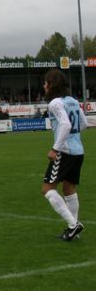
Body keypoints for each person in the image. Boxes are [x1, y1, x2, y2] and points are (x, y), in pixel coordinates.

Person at [41, 69, 85, 241]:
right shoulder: (73, 101)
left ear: (51, 85)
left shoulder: (55, 103)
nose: (44, 86)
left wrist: (55, 148)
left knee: (47, 189)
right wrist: (73, 138)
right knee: (69, 189)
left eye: (46, 83)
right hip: (78, 151)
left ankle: (74, 225)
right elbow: (83, 123)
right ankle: (74, 231)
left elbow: (65, 125)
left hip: (64, 152)